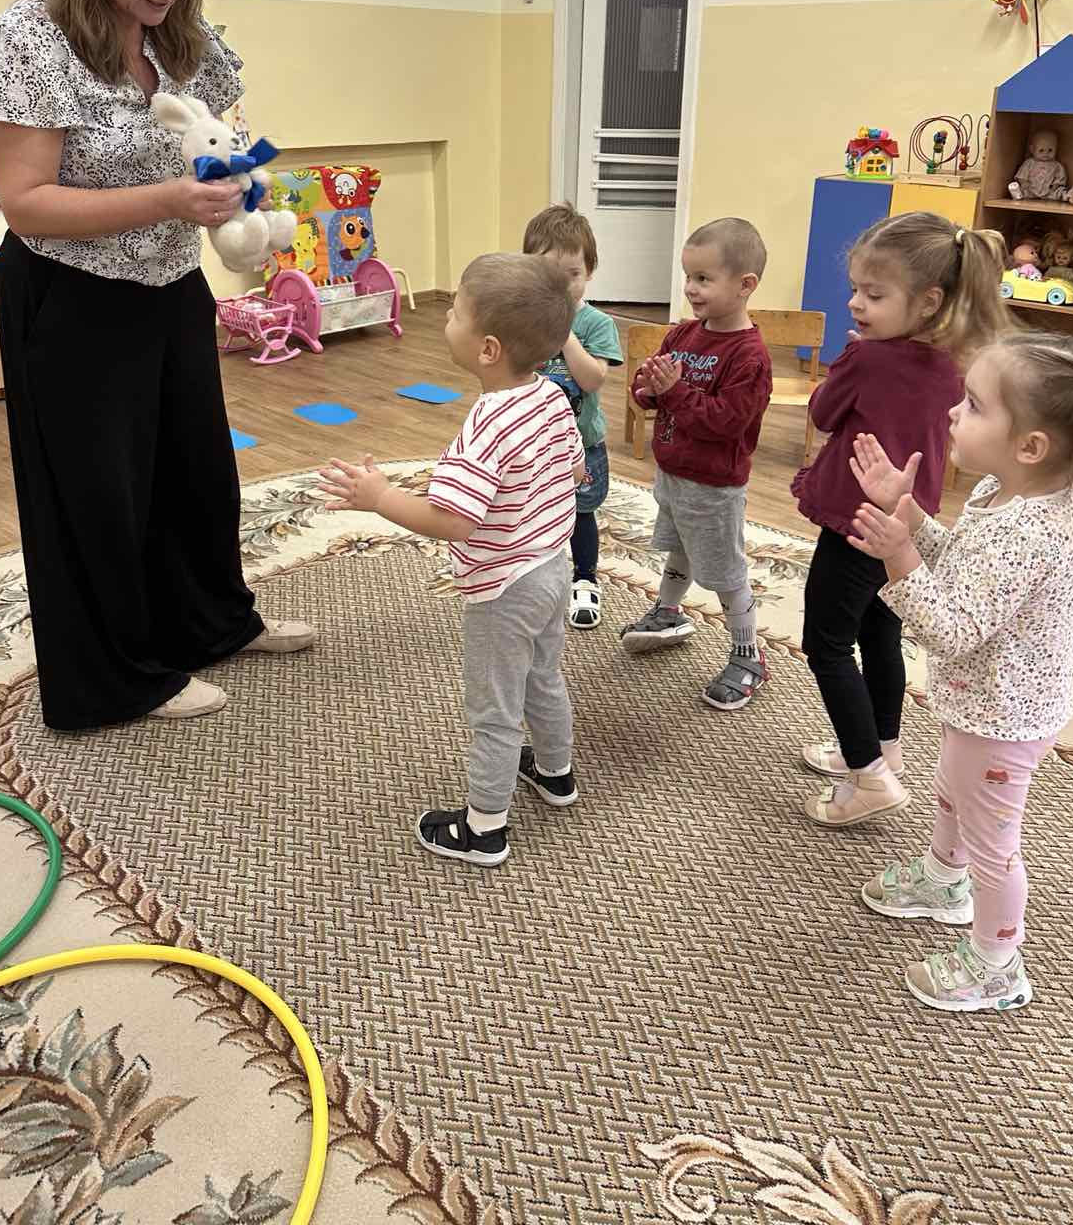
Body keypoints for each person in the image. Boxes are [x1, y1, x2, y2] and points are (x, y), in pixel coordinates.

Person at [0, 0, 315, 730]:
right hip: (72, 299)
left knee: (194, 474)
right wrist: (174, 199)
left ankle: (210, 622)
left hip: (166, 285)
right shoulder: (33, 38)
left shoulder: (175, 34)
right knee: (96, 495)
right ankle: (115, 679)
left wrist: (249, 184)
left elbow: (224, 135)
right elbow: (28, 207)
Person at [848, 332, 1073, 1012]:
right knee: (950, 791)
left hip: (1006, 712)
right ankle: (942, 879)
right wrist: (911, 516)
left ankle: (998, 965)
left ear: (1031, 445)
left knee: (994, 842)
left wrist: (899, 553)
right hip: (986, 701)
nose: (954, 414)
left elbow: (953, 628)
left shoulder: (1034, 532)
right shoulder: (1004, 492)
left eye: (974, 405)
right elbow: (965, 561)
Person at [321, 253, 584, 867]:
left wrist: (381, 497)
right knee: (543, 676)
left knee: (494, 706)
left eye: (456, 312)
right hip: (553, 566)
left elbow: (454, 519)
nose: (446, 320)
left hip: (504, 587)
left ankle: (485, 826)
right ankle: (556, 773)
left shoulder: (485, 423)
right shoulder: (550, 396)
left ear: (487, 348)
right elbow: (573, 469)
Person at [793, 212, 1008, 825]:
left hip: (855, 519)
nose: (857, 304)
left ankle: (869, 776)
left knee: (825, 646)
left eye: (874, 294)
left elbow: (824, 412)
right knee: (879, 633)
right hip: (906, 520)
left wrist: (847, 360)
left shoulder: (869, 359)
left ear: (928, 300)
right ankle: (883, 744)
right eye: (856, 290)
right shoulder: (955, 360)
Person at [620, 218, 773, 710]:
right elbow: (651, 396)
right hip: (673, 473)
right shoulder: (682, 334)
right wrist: (646, 392)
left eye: (704, 279)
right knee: (679, 548)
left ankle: (749, 655)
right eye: (688, 276)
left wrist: (674, 391)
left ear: (745, 285)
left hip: (714, 485)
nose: (690, 288)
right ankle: (667, 612)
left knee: (726, 571)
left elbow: (726, 423)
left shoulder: (749, 356)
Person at [523, 202, 623, 630]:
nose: (561, 286)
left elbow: (593, 379)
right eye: (548, 275)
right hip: (533, 443)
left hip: (581, 443)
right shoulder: (523, 319)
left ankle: (585, 578)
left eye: (573, 275)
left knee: (582, 512)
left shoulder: (597, 323)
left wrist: (564, 336)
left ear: (589, 273)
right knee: (532, 511)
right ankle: (535, 578)